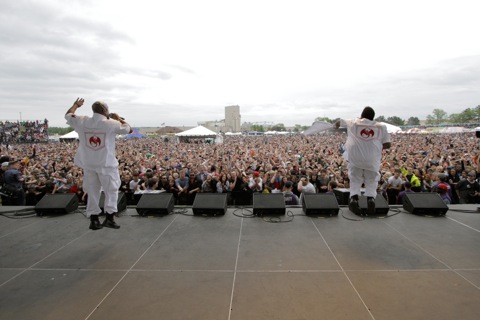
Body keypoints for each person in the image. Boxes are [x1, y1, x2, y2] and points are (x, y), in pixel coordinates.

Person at [65, 98, 132, 230]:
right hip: (106, 164)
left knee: (92, 191)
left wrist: (75, 105)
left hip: (89, 164)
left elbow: (68, 115)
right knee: (111, 190)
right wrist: (118, 118)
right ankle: (109, 217)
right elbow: (128, 129)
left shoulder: (82, 121)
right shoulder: (111, 123)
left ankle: (94, 219)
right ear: (105, 110)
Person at [335, 106, 391, 215]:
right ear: (373, 117)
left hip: (355, 159)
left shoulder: (354, 123)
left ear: (362, 115)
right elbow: (387, 144)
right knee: (371, 180)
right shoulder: (381, 127)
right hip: (372, 160)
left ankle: (354, 199)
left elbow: (339, 122)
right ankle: (370, 199)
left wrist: (336, 125)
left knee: (355, 179)